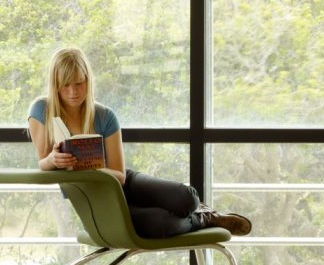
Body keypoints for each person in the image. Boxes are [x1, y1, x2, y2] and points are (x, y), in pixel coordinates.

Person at [27, 46, 251, 238]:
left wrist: (93, 168)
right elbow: (43, 165)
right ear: (55, 85)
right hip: (96, 201)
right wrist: (53, 159)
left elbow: (120, 175)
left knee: (186, 198)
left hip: (122, 183)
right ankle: (204, 220)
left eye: (79, 83)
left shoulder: (105, 116)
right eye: (65, 85)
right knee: (164, 224)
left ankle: (200, 211)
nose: (73, 92)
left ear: (88, 80)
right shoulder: (42, 110)